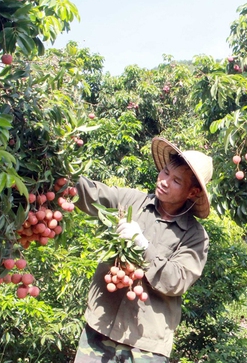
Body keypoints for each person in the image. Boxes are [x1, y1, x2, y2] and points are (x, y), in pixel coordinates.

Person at [72, 137, 213, 363]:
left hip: (146, 346)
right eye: (165, 172)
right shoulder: (131, 201)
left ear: (192, 192)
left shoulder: (195, 237)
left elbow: (177, 280)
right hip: (99, 327)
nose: (164, 181)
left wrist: (143, 245)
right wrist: (59, 168)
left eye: (176, 180)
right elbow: (91, 194)